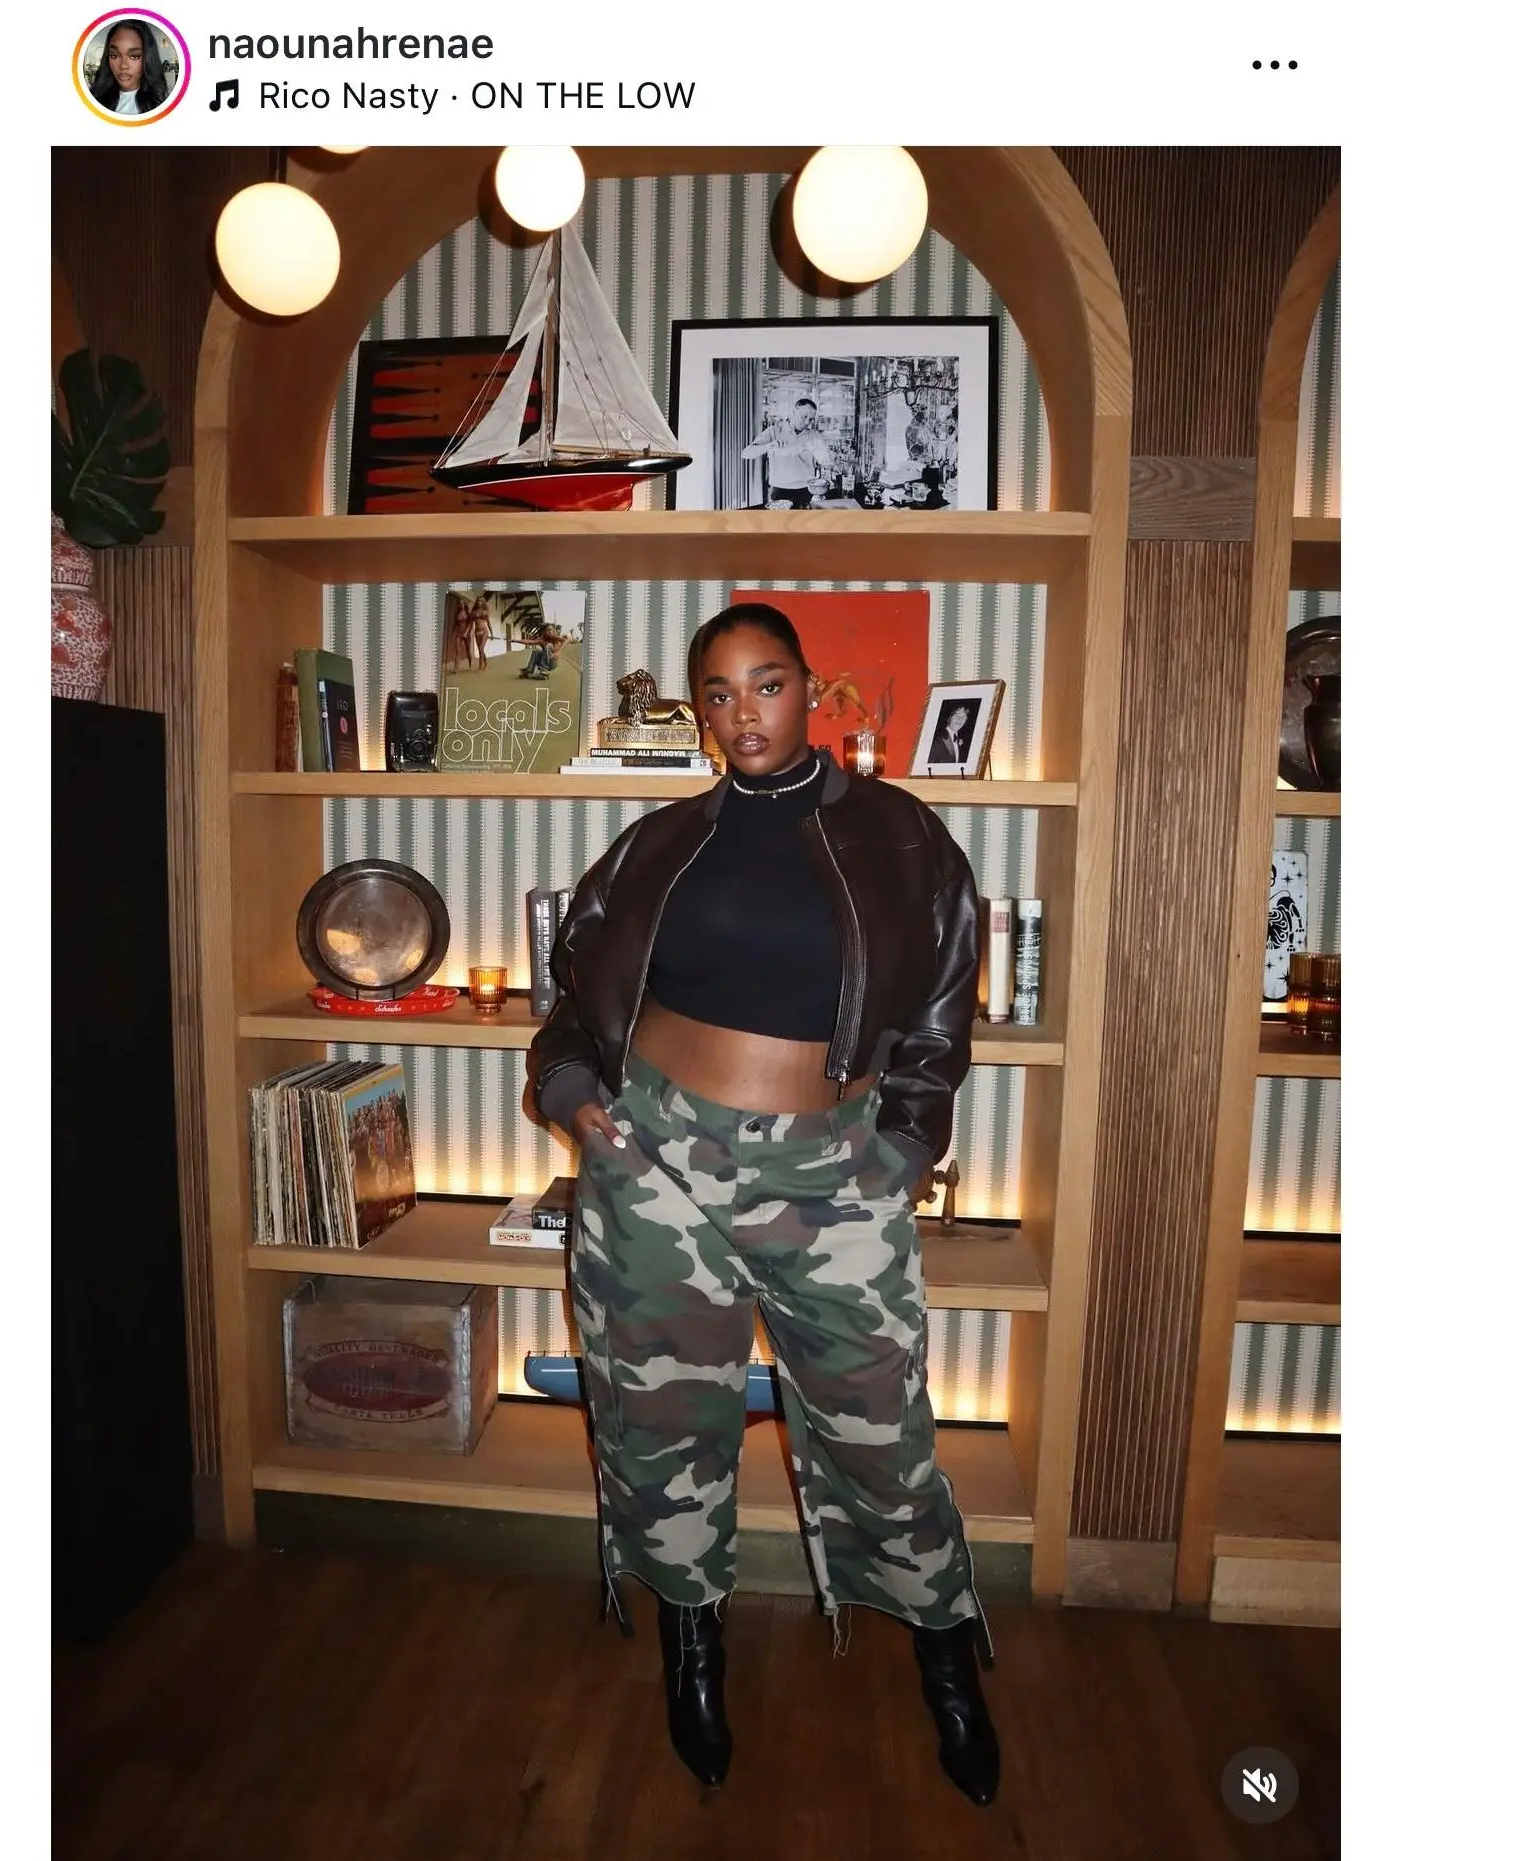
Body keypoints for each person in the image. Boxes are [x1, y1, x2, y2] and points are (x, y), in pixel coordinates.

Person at [528, 601, 1000, 1806]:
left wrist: (903, 1145)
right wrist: (576, 1094)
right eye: (720, 692)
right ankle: (692, 1648)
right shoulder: (657, 843)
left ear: (809, 689)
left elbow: (943, 1009)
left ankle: (947, 1657)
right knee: (658, 1421)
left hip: (831, 1167)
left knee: (878, 1426)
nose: (744, 712)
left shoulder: (901, 837)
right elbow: (576, 995)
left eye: (768, 683)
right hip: (653, 1162)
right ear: (699, 710)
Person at [739, 396, 836, 508]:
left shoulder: (814, 435)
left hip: (807, 490)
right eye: (804, 416)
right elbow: (746, 453)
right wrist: (768, 446)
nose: (807, 422)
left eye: (810, 419)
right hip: (779, 491)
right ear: (793, 412)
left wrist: (828, 459)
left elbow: (826, 462)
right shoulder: (774, 431)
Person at [87, 20, 168, 115]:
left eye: (134, 56)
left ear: (148, 58)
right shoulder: (91, 99)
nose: (123, 66)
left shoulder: (163, 104)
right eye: (114, 55)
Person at [932, 702, 975, 769]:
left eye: (963, 716)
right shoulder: (936, 739)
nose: (960, 719)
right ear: (949, 717)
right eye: (957, 715)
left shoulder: (964, 742)